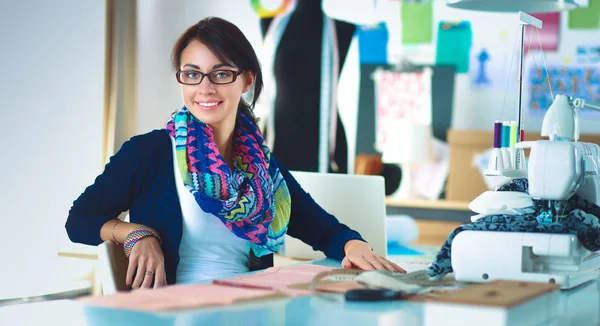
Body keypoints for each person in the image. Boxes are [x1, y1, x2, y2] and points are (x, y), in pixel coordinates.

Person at [65, 17, 405, 290]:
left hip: (251, 307)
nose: (205, 88)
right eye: (192, 74)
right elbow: (79, 219)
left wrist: (354, 246)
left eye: (222, 73)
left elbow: (322, 229)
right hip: (175, 312)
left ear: (246, 81)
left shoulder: (261, 167)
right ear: (181, 79)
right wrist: (137, 233)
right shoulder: (149, 152)